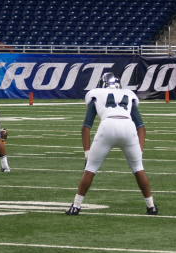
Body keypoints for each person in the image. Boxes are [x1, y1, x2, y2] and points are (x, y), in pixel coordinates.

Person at [65, 72, 158, 216]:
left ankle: (76, 206)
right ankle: (151, 206)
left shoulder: (96, 94)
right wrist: (140, 150)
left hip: (107, 125)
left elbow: (86, 127)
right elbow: (141, 126)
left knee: (90, 168)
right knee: (138, 168)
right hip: (128, 126)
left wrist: (87, 153)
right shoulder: (128, 94)